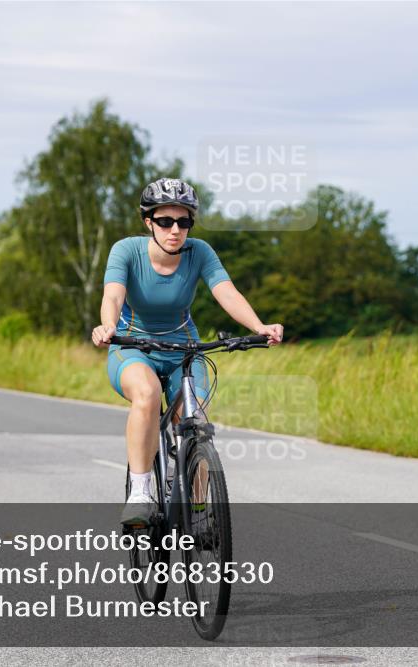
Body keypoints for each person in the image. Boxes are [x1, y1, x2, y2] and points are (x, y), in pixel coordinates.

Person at [92, 178, 283, 526]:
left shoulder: (200, 252)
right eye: (165, 221)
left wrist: (258, 327)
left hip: (185, 348)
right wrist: (108, 326)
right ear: (148, 222)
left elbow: (226, 292)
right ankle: (140, 492)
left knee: (194, 422)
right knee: (147, 394)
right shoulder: (126, 250)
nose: (175, 230)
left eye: (184, 222)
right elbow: (113, 295)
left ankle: (197, 512)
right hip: (133, 347)